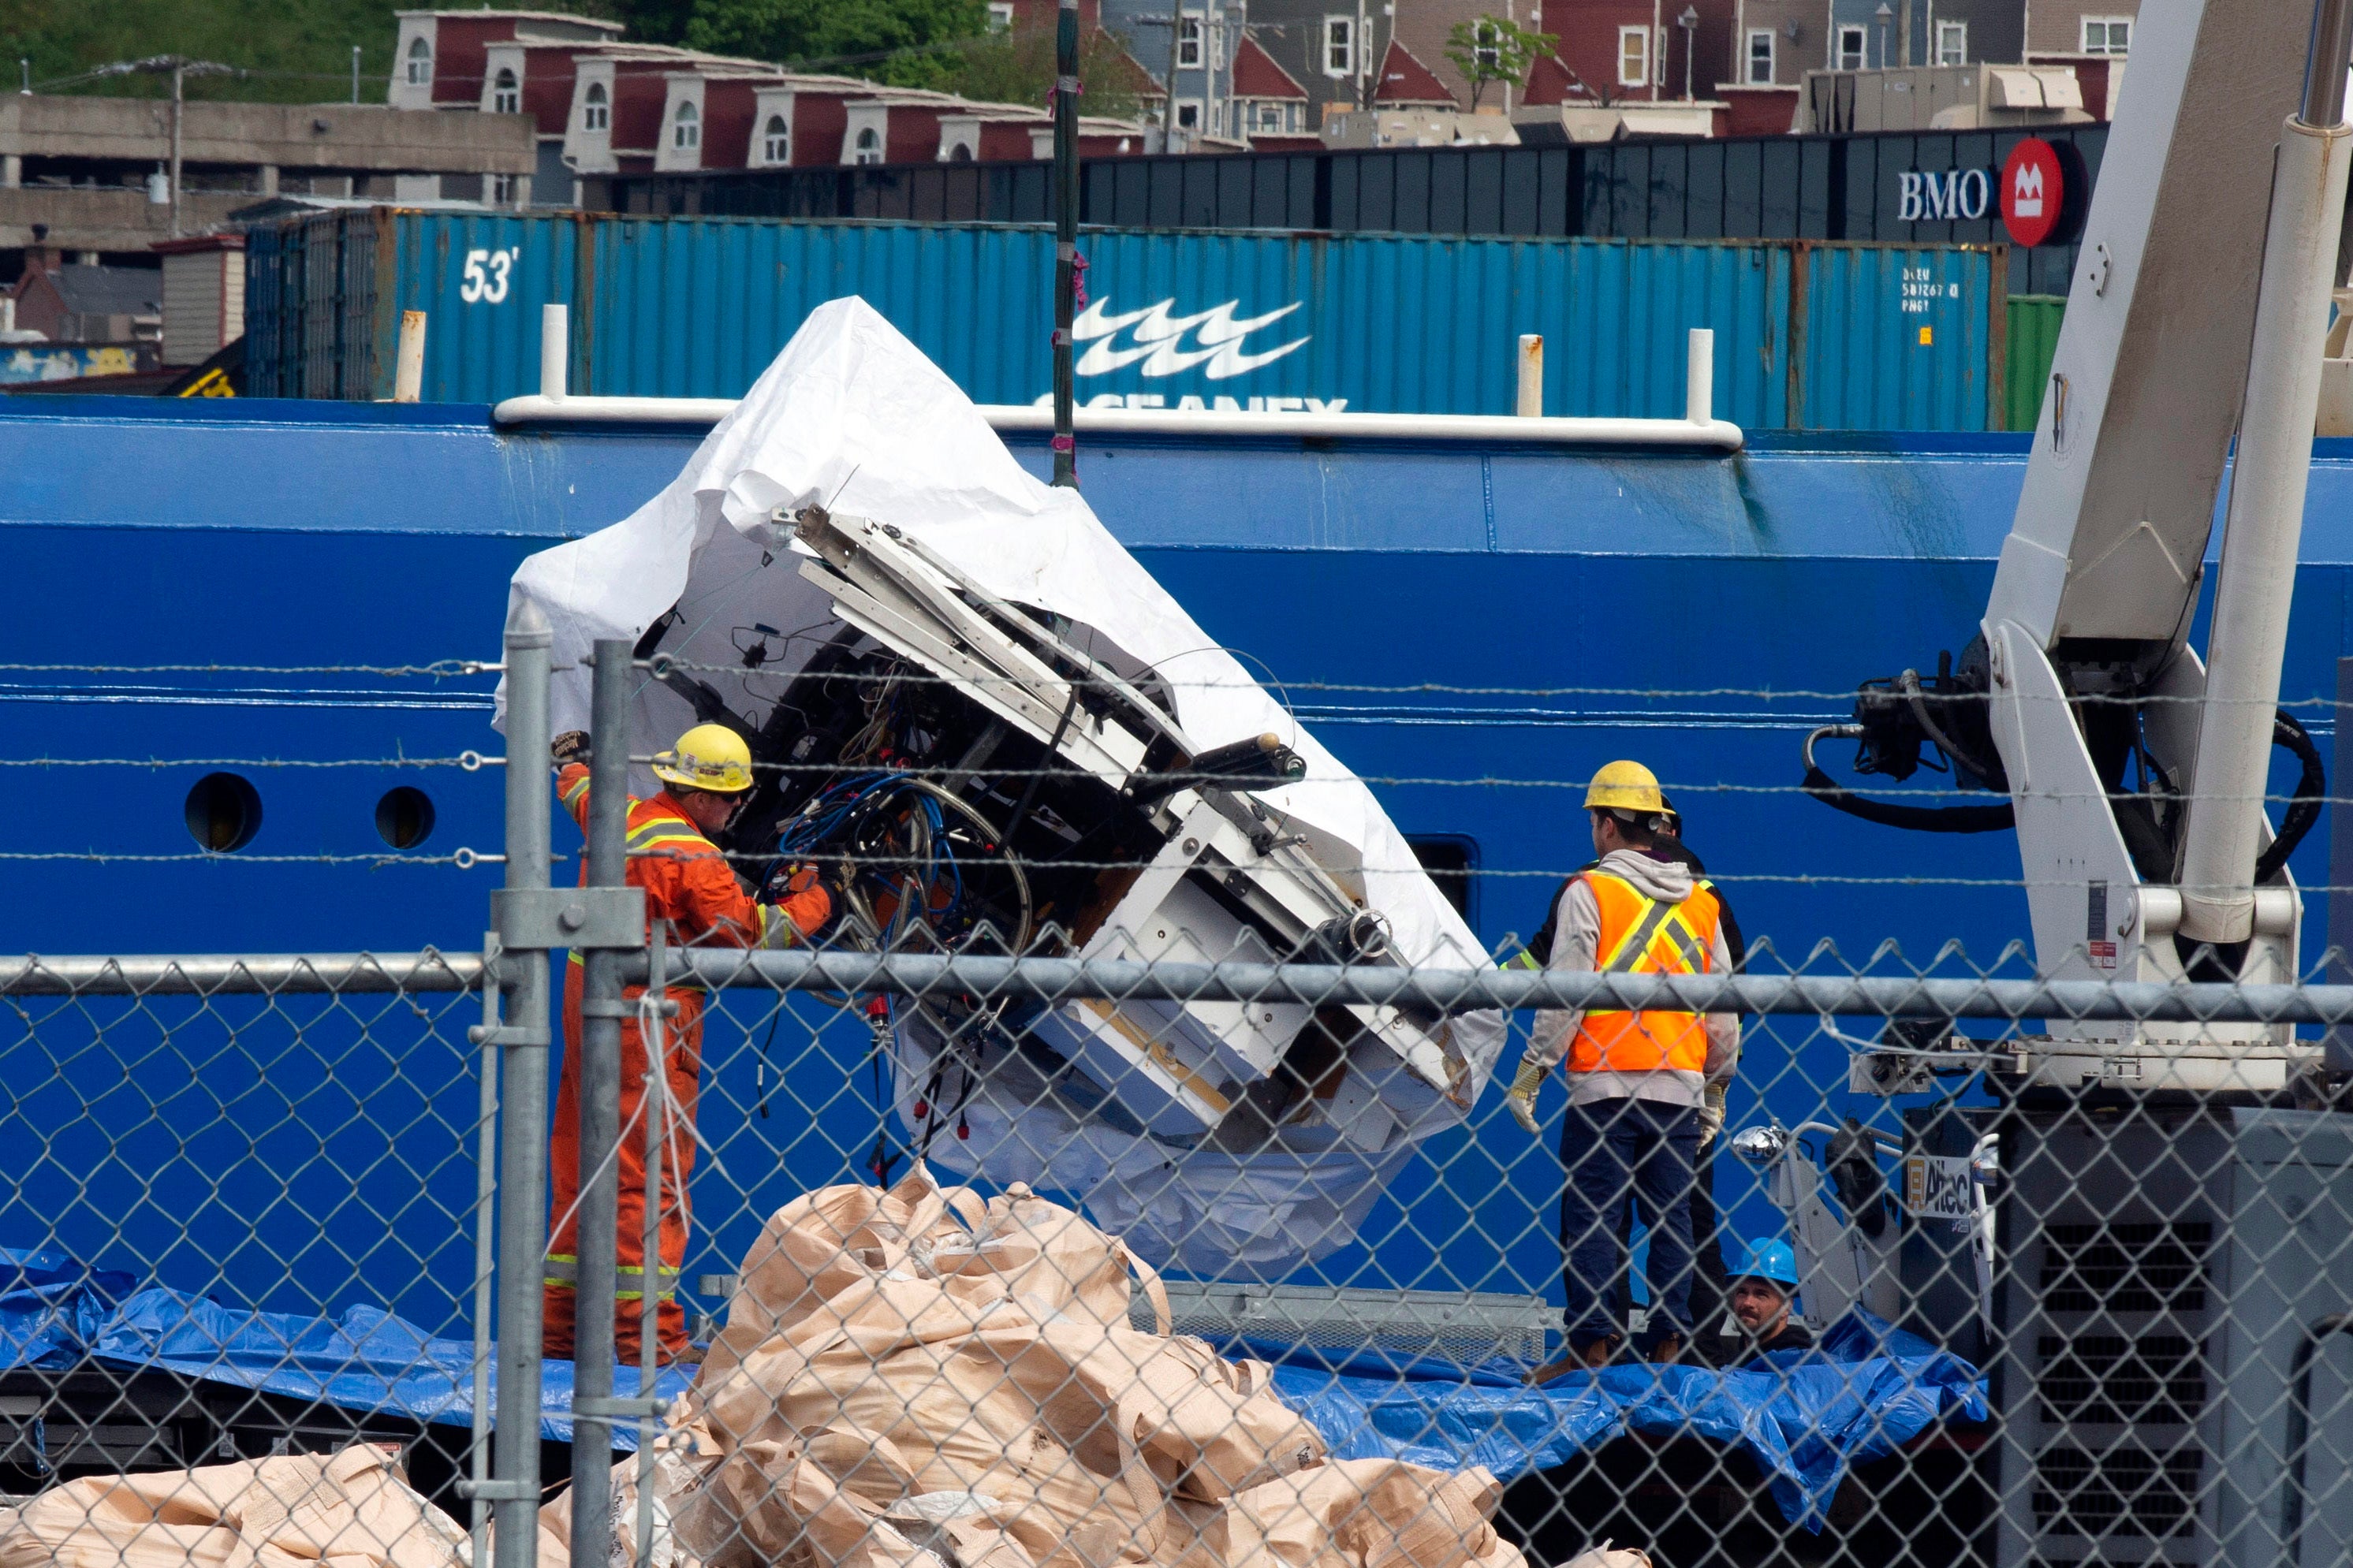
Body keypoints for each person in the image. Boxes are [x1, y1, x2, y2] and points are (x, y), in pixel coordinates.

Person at [542, 722, 832, 1365]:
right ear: (701, 795)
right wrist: (818, 897)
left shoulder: (619, 814)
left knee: (578, 1174)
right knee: (652, 1182)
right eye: (730, 798)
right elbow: (754, 936)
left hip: (585, 1008)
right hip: (649, 1025)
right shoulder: (693, 857)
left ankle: (557, 1339)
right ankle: (650, 1340)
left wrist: (570, 762)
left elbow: (579, 789)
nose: (735, 810)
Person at [1506, 759, 1740, 1373]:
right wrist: (1717, 1088)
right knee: (1673, 1222)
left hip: (1604, 1089)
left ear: (1608, 824)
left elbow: (1566, 992)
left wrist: (1532, 1072)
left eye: (1594, 820)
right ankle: (1669, 1347)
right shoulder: (1703, 901)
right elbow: (1723, 1009)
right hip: (1680, 1090)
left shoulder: (1590, 890)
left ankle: (1592, 1349)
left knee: (1592, 1220)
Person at [1710, 1238, 1813, 1364]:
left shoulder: (1798, 1362)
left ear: (1787, 1306)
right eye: (1742, 1292)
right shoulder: (1734, 1365)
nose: (1748, 1302)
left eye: (1761, 1295)